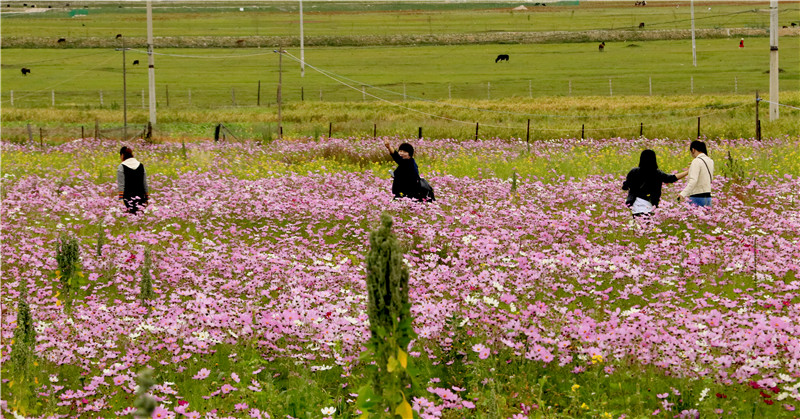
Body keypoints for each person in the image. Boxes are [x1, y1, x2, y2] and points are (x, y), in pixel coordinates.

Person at [623, 149, 688, 217]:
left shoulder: (633, 171)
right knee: (647, 225)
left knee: (638, 224)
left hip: (635, 204)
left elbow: (625, 186)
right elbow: (671, 178)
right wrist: (687, 172)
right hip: (649, 204)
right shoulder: (657, 173)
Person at [680, 140, 715, 207]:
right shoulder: (710, 161)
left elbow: (693, 180)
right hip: (708, 197)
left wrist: (683, 193)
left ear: (693, 150)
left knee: (692, 217)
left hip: (697, 197)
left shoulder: (696, 161)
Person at [117, 146, 149, 214]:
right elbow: (145, 183)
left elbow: (121, 185)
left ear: (122, 155)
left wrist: (120, 199)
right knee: (140, 217)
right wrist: (147, 197)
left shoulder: (121, 167)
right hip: (141, 196)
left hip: (128, 198)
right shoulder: (141, 166)